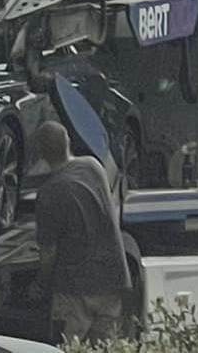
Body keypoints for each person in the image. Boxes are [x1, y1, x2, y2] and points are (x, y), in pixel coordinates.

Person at [32, 121, 132, 342]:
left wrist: (40, 284)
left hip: (74, 289)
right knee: (105, 347)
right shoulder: (93, 167)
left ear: (41, 153)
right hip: (111, 279)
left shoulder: (49, 193)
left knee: (67, 347)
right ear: (68, 141)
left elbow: (48, 252)